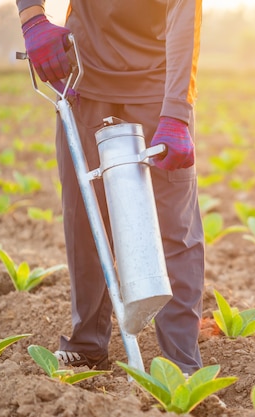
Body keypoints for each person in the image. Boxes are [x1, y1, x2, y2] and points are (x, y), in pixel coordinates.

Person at [16, 0, 205, 375]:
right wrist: (32, 17)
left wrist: (176, 113)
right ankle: (86, 345)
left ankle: (180, 363)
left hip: (157, 84)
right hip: (83, 79)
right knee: (84, 217)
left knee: (173, 227)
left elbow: (185, 17)